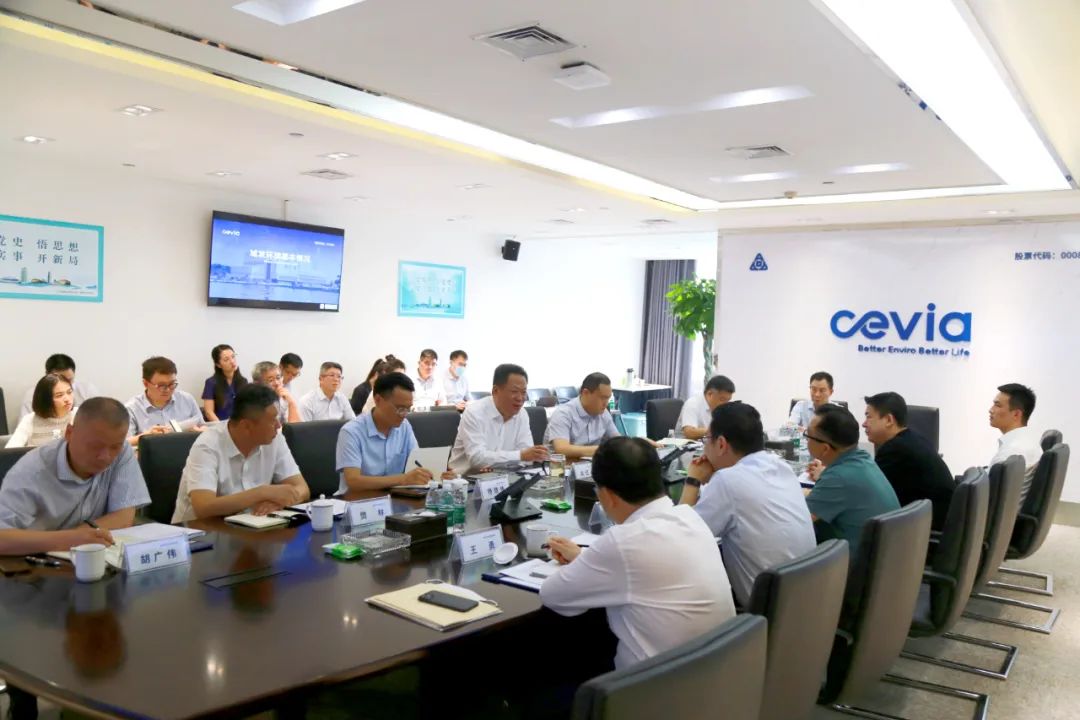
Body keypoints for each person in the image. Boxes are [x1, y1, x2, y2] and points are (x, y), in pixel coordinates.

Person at [541, 437, 735, 669]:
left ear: (607, 495)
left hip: (653, 685)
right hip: (716, 675)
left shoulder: (623, 542)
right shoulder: (689, 517)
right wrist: (586, 558)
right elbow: (645, 571)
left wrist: (591, 561)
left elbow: (553, 595)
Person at [680, 401, 816, 607]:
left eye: (707, 439)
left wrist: (693, 480)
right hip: (804, 602)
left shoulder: (728, 481)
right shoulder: (781, 466)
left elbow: (681, 538)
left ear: (721, 444)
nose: (704, 448)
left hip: (763, 614)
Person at [0, 397, 150, 554]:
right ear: (69, 433)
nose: (105, 456)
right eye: (95, 446)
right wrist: (70, 539)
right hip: (34, 560)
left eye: (115, 447)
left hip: (93, 556)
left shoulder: (122, 451)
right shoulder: (31, 471)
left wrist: (81, 537)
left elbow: (124, 517)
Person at [172, 384, 310, 523]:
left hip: (252, 525)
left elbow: (302, 488)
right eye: (272, 420)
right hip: (198, 531)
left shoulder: (275, 438)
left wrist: (279, 502)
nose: (278, 425)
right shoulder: (207, 446)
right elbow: (203, 508)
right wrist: (262, 493)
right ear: (246, 426)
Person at [804, 405, 899, 555]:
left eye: (808, 435)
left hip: (854, 564)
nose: (806, 440)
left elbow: (798, 522)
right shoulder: (863, 458)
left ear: (825, 448)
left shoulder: (837, 478)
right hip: (885, 558)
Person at [863, 392, 955, 530]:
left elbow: (868, 493)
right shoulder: (912, 439)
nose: (864, 424)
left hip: (927, 531)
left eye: (869, 417)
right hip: (938, 525)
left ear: (888, 420)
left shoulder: (895, 450)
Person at [336, 373, 435, 493]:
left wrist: (433, 474)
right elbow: (353, 481)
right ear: (378, 400)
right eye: (400, 408)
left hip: (397, 497)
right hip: (358, 500)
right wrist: (403, 479)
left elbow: (417, 463)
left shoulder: (404, 427)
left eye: (408, 409)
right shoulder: (351, 432)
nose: (404, 415)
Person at [448, 363, 548, 476]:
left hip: (505, 477)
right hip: (464, 478)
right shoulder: (475, 413)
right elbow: (477, 459)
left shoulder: (522, 414)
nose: (520, 398)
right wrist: (520, 455)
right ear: (495, 390)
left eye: (523, 392)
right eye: (514, 391)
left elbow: (528, 458)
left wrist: (523, 456)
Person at [124, 356, 203, 446]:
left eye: (172, 384)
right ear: (145, 383)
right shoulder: (131, 408)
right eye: (161, 385)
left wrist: (202, 431)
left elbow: (202, 425)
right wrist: (147, 436)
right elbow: (123, 444)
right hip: (153, 453)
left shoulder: (186, 399)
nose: (168, 390)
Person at [543, 372, 619, 460]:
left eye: (608, 398)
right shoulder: (563, 413)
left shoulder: (603, 413)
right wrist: (603, 449)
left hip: (589, 465)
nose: (606, 403)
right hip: (560, 466)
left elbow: (618, 441)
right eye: (602, 398)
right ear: (585, 393)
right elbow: (562, 449)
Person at [988, 383, 1042, 493]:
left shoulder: (1010, 453)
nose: (991, 410)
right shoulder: (1028, 441)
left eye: (997, 405)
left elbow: (986, 493)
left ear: (1016, 414)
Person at [19, 353, 99, 419]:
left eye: (69, 379)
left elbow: (100, 418)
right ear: (47, 376)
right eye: (59, 380)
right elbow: (25, 428)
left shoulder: (87, 390)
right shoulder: (32, 395)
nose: (66, 384)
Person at [7, 374, 78, 448]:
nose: (67, 399)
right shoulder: (30, 420)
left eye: (69, 392)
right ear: (45, 399)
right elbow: (11, 450)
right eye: (59, 395)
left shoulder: (79, 414)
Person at [676, 375, 735, 440]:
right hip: (684, 444)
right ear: (710, 394)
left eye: (728, 400)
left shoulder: (720, 407)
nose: (725, 404)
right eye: (722, 399)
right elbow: (689, 433)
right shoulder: (692, 404)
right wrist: (717, 431)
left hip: (705, 442)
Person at [201, 344, 247, 422]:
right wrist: (222, 427)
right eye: (226, 359)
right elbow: (209, 412)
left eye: (233, 357)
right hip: (220, 424)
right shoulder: (211, 383)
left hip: (240, 425)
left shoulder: (243, 381)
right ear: (218, 365)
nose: (232, 361)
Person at [251, 361, 300, 425]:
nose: (276, 383)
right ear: (257, 384)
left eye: (278, 378)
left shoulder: (282, 397)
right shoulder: (253, 403)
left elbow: (296, 427)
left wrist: (291, 403)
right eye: (270, 380)